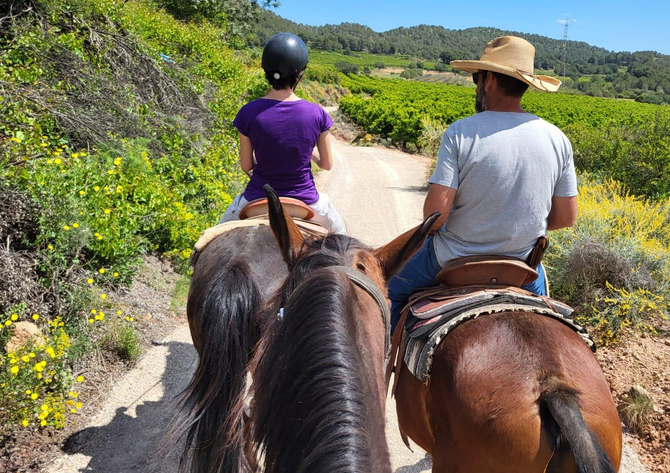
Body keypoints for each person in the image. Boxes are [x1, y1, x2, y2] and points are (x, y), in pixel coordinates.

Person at [388, 35, 578, 330]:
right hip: (522, 268)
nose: (476, 85)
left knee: (387, 289)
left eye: (477, 77)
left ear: (488, 80)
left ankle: (383, 360)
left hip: (450, 260)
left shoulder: (461, 132)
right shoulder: (557, 139)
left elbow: (435, 217)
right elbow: (566, 218)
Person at [218, 32, 347, 234]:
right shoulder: (317, 113)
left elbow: (246, 165)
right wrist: (305, 152)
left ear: (266, 71)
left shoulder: (248, 112)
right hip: (306, 201)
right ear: (300, 73)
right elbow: (327, 164)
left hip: (256, 197)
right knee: (344, 241)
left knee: (208, 244)